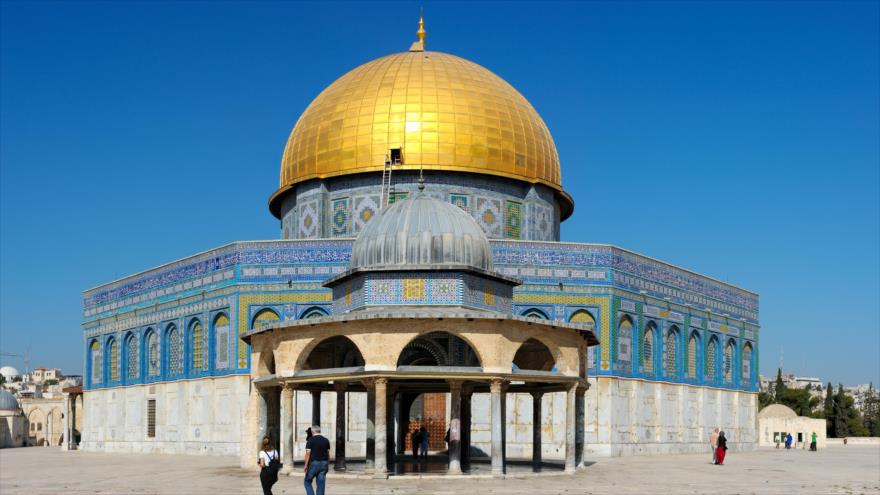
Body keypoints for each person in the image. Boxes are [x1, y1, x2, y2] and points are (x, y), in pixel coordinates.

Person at [304, 425, 330, 495]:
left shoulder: (310, 440)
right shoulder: (326, 440)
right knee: (321, 484)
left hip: (314, 463)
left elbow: (308, 454)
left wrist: (306, 465)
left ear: (312, 432)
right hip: (324, 463)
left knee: (307, 481)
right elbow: (327, 453)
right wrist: (327, 463)